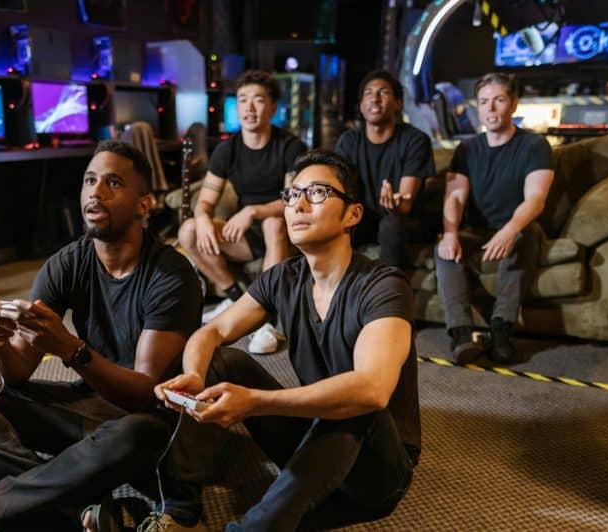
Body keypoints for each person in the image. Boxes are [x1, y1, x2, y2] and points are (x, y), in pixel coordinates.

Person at [0, 141, 205, 532]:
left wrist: (71, 349)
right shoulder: (67, 262)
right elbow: (16, 375)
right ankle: (65, 502)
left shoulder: (171, 275)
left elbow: (143, 395)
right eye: (89, 181)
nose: (95, 192)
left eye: (113, 183)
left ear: (143, 205)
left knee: (136, 432)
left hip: (146, 424)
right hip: (84, 409)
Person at [158, 150, 420, 532]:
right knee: (225, 362)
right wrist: (195, 379)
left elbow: (373, 390)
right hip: (314, 442)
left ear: (353, 214)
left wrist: (257, 403)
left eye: (315, 193)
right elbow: (210, 332)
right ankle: (177, 514)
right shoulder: (284, 277)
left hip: (377, 466)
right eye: (291, 195)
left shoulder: (383, 286)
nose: (297, 204)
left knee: (353, 402)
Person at [177, 69, 307, 354]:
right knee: (188, 230)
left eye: (258, 100)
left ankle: (267, 318)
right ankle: (236, 298)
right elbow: (206, 201)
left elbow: (293, 199)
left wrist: (253, 211)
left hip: (284, 230)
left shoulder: (290, 146)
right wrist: (203, 220)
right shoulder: (228, 150)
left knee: (273, 223)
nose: (249, 107)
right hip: (245, 235)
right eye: (243, 99)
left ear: (272, 107)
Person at [435, 72, 554, 365]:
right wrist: (450, 233)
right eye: (484, 102)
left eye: (498, 100)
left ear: (513, 104)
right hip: (477, 230)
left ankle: (502, 330)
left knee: (525, 236)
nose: (490, 109)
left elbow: (535, 199)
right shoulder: (466, 149)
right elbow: (455, 197)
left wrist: (510, 229)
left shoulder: (535, 146)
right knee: (445, 249)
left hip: (519, 226)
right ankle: (461, 334)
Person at [335, 69, 436, 269]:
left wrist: (395, 204)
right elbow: (339, 189)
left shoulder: (415, 140)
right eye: (368, 93)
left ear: (398, 104)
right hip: (363, 218)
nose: (375, 99)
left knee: (390, 224)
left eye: (383, 92)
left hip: (404, 221)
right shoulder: (348, 142)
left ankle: (390, 295)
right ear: (362, 106)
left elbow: (405, 205)